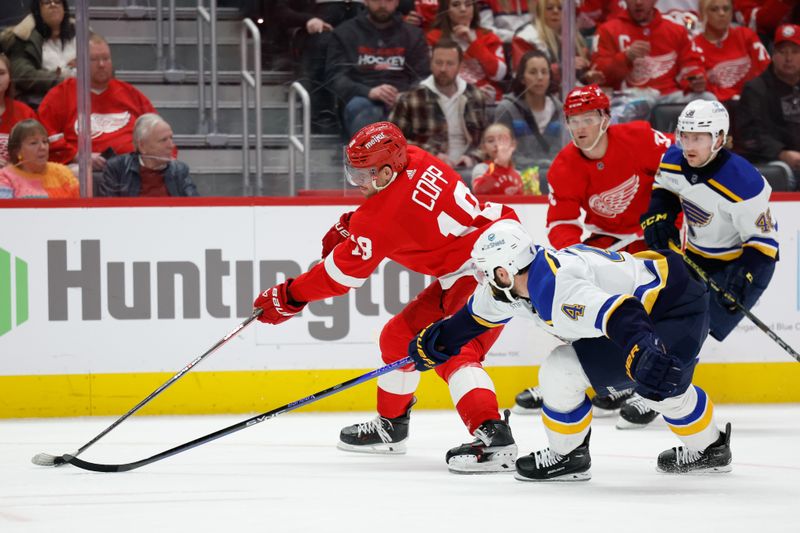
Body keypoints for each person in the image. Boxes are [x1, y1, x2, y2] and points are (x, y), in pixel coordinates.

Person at [252, 121, 520, 473]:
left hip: (490, 267)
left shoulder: (380, 219)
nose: (358, 182)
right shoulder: (416, 157)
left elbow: (337, 277)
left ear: (389, 168)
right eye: (354, 172)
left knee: (456, 350)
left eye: (365, 174)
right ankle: (391, 428)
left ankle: (494, 437)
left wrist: (289, 297)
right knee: (398, 339)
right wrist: (353, 221)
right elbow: (399, 210)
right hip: (481, 255)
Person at [408, 218, 733, 480]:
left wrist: (642, 350)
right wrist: (433, 344)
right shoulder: (515, 285)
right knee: (661, 387)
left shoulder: (556, 290)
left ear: (504, 271)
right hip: (667, 290)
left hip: (671, 308)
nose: (483, 279)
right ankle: (711, 449)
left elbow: (623, 313)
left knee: (565, 371)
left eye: (485, 271)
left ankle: (568, 455)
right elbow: (469, 321)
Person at [510, 85, 673, 416]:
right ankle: (587, 379)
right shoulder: (564, 165)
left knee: (660, 309)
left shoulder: (640, 138)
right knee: (577, 304)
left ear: (606, 118)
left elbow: (679, 171)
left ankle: (649, 385)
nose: (580, 128)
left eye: (588, 118)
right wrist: (582, 260)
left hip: (655, 239)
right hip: (608, 245)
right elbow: (560, 224)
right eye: (573, 120)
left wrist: (668, 215)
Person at [634, 99, 778, 427]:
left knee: (696, 329)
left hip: (744, 262)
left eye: (698, 137)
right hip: (696, 255)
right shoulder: (673, 159)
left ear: (719, 138)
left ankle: (660, 392)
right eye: (684, 135)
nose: (688, 144)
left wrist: (745, 277)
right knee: (673, 321)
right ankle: (655, 390)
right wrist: (660, 218)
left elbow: (764, 242)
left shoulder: (745, 182)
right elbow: (665, 192)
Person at [37, 33, 157, 171]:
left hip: (130, 170)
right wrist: (78, 156)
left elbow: (157, 131)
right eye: (94, 59)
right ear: (78, 62)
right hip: (81, 171)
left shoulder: (130, 94)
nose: (101, 65)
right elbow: (46, 135)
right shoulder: (60, 95)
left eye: (106, 58)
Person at [593, 0, 715, 122]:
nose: (638, 2)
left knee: (708, 100)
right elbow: (600, 75)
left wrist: (694, 81)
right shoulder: (608, 30)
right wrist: (625, 57)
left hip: (670, 97)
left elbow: (691, 64)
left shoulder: (676, 30)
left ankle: (717, 140)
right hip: (629, 98)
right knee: (617, 112)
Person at [325, 0, 430, 138]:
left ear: (397, 2)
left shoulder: (414, 35)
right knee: (364, 110)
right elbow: (335, 77)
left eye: (388, 0)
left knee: (415, 108)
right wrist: (369, 92)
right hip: (362, 98)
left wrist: (403, 96)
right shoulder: (344, 33)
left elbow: (422, 76)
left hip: (402, 98)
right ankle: (368, 158)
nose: (382, 5)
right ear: (366, 1)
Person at [388, 39, 488, 172]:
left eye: (449, 64)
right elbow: (391, 142)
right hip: (425, 169)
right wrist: (431, 155)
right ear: (431, 63)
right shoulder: (411, 98)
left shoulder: (475, 96)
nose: (443, 69)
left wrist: (471, 158)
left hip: (469, 169)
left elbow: (488, 140)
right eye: (438, 63)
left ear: (460, 66)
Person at [274, 0, 364, 133]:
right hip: (319, 31)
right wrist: (308, 20)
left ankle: (357, 115)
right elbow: (280, 11)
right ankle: (323, 114)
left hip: (363, 27)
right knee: (324, 43)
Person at [736, 24, 800, 185]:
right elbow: (751, 134)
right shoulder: (756, 89)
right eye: (782, 52)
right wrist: (782, 153)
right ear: (773, 54)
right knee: (783, 172)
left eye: (795, 52)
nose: (788, 58)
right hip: (771, 160)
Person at [494, 50, 563, 176]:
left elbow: (565, 151)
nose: (540, 77)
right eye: (533, 72)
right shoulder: (506, 109)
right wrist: (542, 166)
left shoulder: (561, 111)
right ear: (522, 78)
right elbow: (503, 152)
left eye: (544, 72)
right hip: (518, 175)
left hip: (556, 175)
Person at [98, 114, 197, 197]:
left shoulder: (179, 170)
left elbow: (195, 207)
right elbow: (107, 210)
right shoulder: (117, 168)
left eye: (171, 138)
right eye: (163, 140)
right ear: (142, 146)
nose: (171, 146)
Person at [426, 0, 507, 101]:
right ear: (446, 10)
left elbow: (498, 75)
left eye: (468, 4)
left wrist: (473, 43)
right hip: (449, 99)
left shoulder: (487, 36)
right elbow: (434, 76)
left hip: (487, 100)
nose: (463, 9)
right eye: (456, 5)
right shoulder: (433, 37)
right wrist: (470, 93)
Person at [0, 0, 76, 108]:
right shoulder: (24, 37)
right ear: (38, 10)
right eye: (47, 2)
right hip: (40, 104)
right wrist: (61, 77)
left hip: (79, 99)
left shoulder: (81, 33)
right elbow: (23, 75)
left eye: (58, 2)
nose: (53, 5)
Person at [694, 0, 771, 103]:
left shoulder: (746, 35)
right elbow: (698, 85)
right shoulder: (694, 46)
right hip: (717, 106)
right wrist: (732, 96)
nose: (722, 13)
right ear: (703, 14)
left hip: (754, 102)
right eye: (714, 9)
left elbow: (766, 70)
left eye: (726, 9)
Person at [511, 0, 602, 85]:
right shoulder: (526, 37)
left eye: (560, 8)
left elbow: (577, 76)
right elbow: (523, 77)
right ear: (540, 10)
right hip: (536, 99)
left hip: (567, 96)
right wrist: (562, 68)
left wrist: (586, 77)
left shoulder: (575, 38)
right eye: (549, 8)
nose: (555, 11)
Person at [0, 118, 78, 198]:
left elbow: (79, 207)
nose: (42, 147)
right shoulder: (5, 177)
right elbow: (5, 209)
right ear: (17, 150)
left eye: (45, 141)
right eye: (33, 143)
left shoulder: (63, 173)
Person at [0, 53, 37, 167]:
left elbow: (37, 152)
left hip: (17, 179)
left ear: (10, 77)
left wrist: (15, 166)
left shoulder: (25, 113)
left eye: (1, 73)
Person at [471, 123, 527, 195]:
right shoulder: (482, 169)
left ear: (513, 145)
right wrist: (499, 165)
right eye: (490, 140)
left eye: (502, 140)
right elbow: (478, 191)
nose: (496, 144)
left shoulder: (519, 174)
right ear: (484, 147)